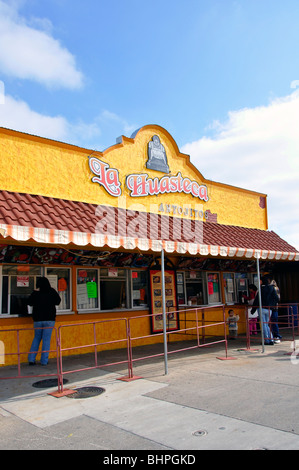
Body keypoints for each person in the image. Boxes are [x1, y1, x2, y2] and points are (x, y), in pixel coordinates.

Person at [27, 277, 61, 366]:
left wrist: (35, 292)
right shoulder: (51, 291)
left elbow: (29, 302)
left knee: (36, 338)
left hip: (37, 319)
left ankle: (31, 359)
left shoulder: (36, 292)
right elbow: (58, 301)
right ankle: (44, 361)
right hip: (49, 319)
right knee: (46, 340)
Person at [251, 275, 279, 345]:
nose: (259, 282)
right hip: (269, 309)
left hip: (262, 308)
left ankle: (267, 340)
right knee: (267, 324)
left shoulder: (261, 289)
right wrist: (272, 305)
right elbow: (276, 298)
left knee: (264, 325)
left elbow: (257, 300)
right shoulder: (272, 288)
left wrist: (253, 309)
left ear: (262, 281)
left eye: (260, 280)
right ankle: (271, 338)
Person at [270, 279, 282, 343]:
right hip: (274, 307)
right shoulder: (276, 288)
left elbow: (277, 298)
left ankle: (276, 336)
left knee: (273, 322)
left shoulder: (273, 288)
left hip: (273, 307)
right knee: (274, 322)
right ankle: (275, 335)